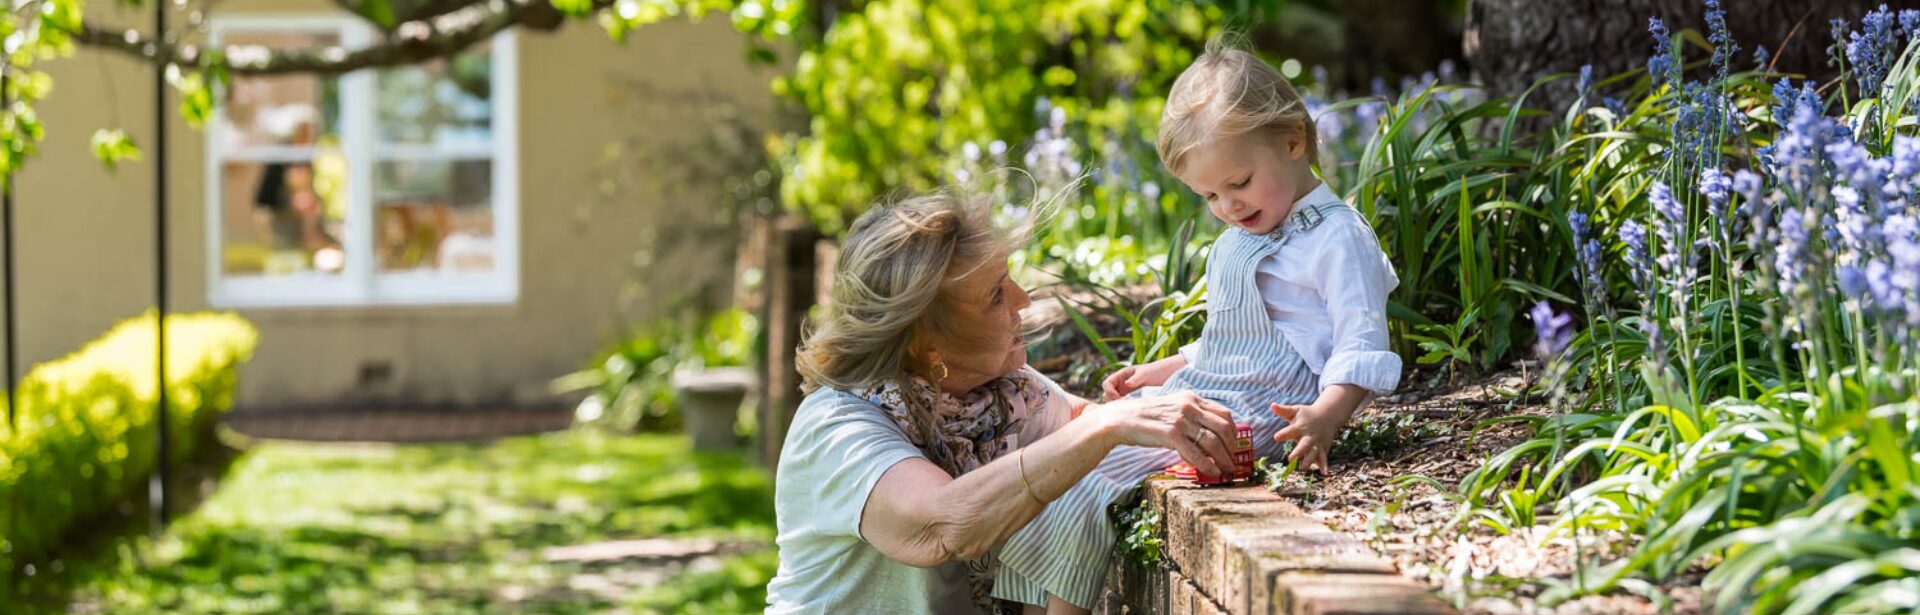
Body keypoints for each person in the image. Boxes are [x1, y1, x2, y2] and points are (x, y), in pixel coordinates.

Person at [995, 40, 1403, 613]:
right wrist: (1157, 372)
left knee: (1091, 476)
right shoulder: (1243, 236)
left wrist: (1327, 413)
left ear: (1293, 140)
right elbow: (1227, 339)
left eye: (1238, 183)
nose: (1228, 206)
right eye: (1209, 195)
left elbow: (1361, 339)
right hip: (1212, 387)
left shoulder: (1337, 237)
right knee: (1061, 457)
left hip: (1261, 407)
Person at [764, 192, 1247, 614]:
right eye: (996, 295)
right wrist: (1109, 426)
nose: (1024, 301)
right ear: (928, 346)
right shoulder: (836, 427)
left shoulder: (1001, 395)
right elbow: (941, 524)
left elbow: (1084, 426)